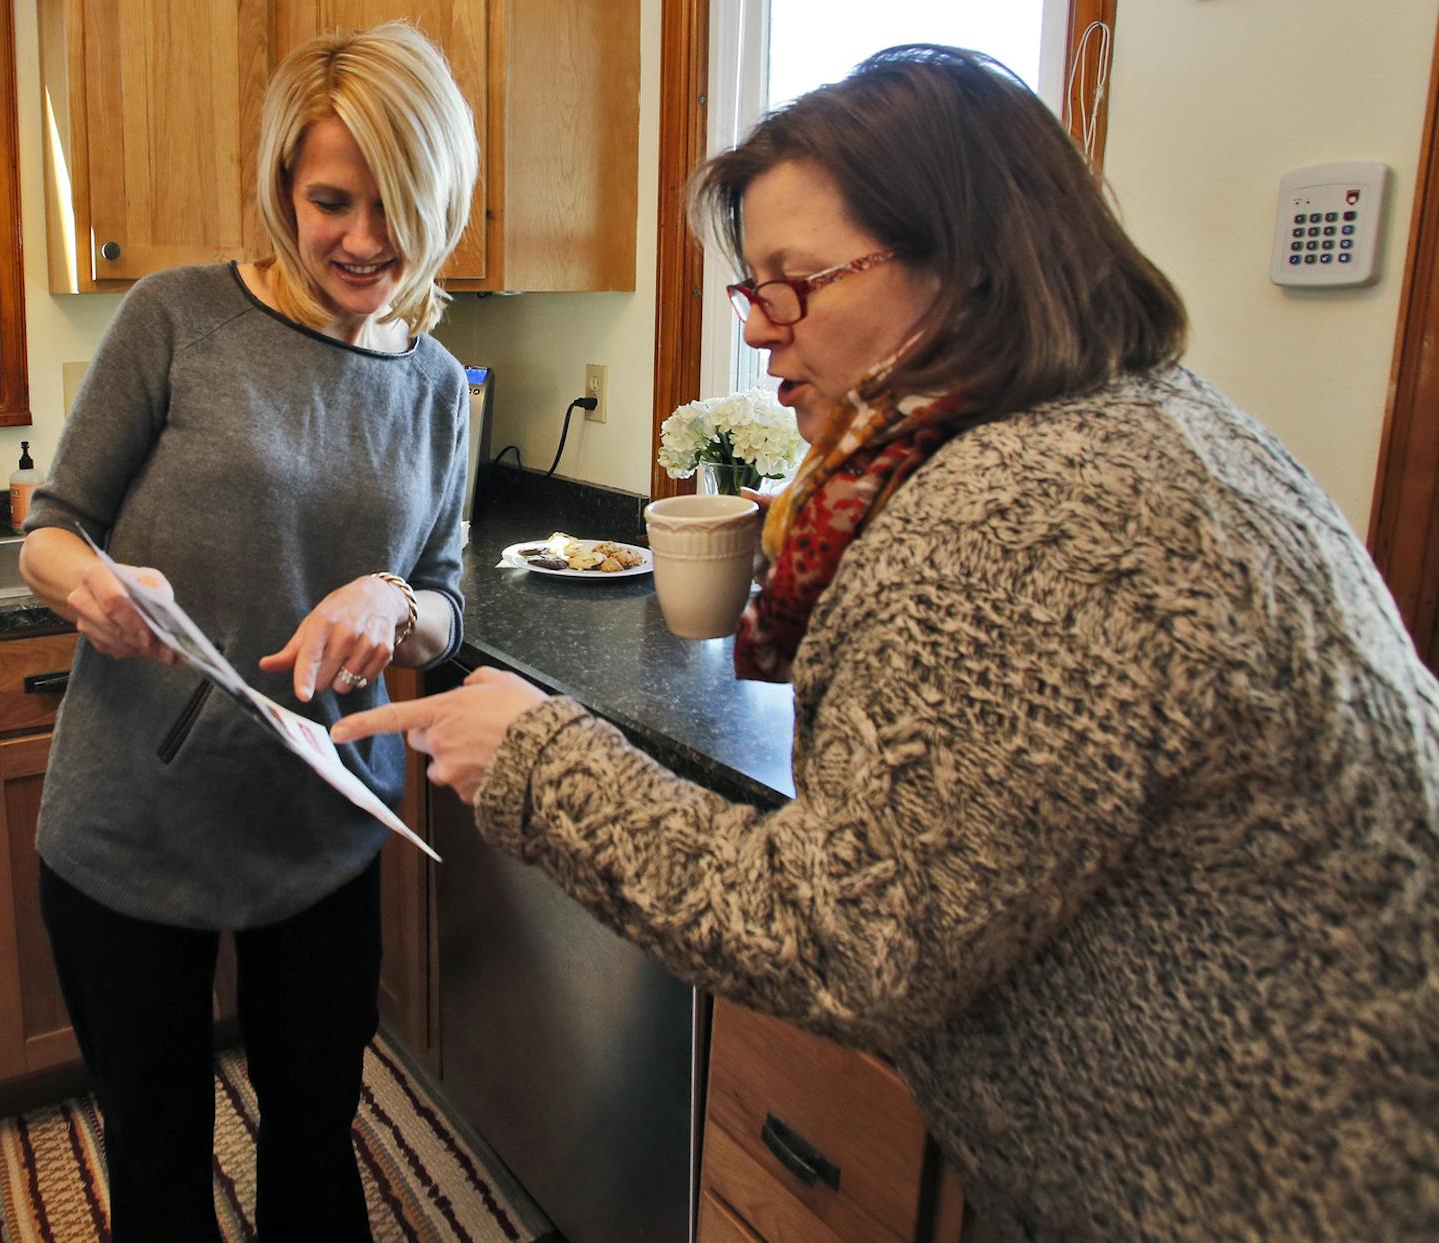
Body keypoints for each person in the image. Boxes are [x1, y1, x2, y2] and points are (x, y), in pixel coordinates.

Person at [335, 44, 1439, 1242]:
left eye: (795, 282)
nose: (761, 332)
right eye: (750, 290)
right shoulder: (1149, 419)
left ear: (968, 265)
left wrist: (542, 756)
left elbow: (847, 931)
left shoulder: (1025, 508)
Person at [16, 21, 478, 1241]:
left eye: (399, 202)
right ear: (283, 186)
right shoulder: (177, 319)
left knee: (317, 1138)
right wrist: (92, 588)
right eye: (332, 198)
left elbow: (446, 597)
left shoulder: (436, 384)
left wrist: (396, 600)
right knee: (158, 1156)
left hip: (324, 826)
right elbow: (50, 527)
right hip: (133, 820)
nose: (366, 238)